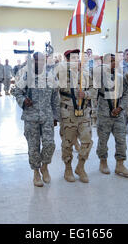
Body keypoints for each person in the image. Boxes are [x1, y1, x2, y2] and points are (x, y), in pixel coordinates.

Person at [13, 52, 59, 187]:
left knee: (49, 144)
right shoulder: (26, 76)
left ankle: (45, 166)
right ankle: (36, 173)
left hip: (47, 116)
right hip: (31, 117)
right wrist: (23, 100)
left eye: (42, 60)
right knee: (33, 146)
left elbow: (55, 98)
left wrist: (56, 116)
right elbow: (16, 92)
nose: (40, 62)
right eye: (37, 60)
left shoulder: (50, 77)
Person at [55, 49, 96, 183]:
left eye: (78, 58)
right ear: (66, 60)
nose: (77, 60)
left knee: (87, 141)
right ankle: (68, 168)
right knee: (67, 142)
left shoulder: (85, 73)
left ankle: (80, 166)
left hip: (84, 111)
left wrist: (87, 94)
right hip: (68, 112)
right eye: (73, 58)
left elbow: (94, 89)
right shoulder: (61, 71)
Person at [95, 53, 128, 177]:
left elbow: (127, 94)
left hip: (119, 114)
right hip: (104, 113)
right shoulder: (99, 76)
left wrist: (121, 107)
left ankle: (120, 164)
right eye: (110, 61)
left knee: (121, 140)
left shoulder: (121, 77)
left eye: (114, 61)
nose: (113, 63)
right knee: (103, 140)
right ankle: (103, 161)